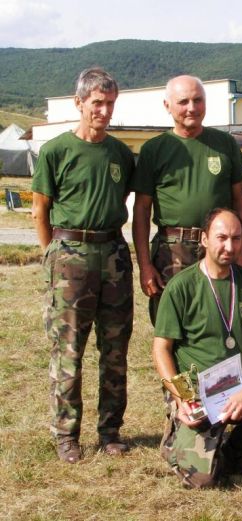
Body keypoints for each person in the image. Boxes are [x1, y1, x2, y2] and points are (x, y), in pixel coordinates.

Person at [152, 208, 242, 489]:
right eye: (221, 238)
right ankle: (176, 440)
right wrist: (183, 397)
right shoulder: (181, 286)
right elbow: (161, 350)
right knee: (203, 480)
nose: (230, 247)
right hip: (196, 389)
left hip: (239, 383)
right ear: (205, 239)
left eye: (236, 238)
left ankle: (231, 447)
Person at [31, 68, 135, 463]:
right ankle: (66, 435)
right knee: (69, 350)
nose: (104, 111)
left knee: (115, 350)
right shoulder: (56, 150)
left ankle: (110, 431)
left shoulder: (120, 154)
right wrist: (53, 256)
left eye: (110, 104)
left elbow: (119, 198)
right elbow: (40, 210)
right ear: (79, 103)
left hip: (113, 255)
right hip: (70, 255)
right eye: (97, 103)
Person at [132, 75, 242, 324]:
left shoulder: (225, 144)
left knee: (220, 319)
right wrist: (145, 266)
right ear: (167, 105)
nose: (192, 108)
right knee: (172, 324)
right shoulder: (154, 149)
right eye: (183, 101)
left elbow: (240, 200)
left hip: (218, 247)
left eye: (198, 100)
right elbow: (141, 210)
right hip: (171, 251)